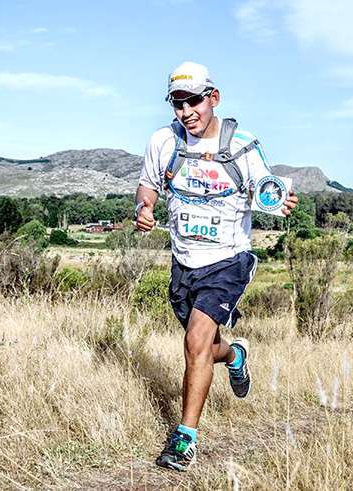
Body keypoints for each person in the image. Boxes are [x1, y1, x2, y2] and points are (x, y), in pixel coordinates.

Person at [135, 61, 298, 471]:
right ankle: (235, 356)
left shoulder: (240, 145)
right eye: (178, 103)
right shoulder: (163, 141)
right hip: (183, 261)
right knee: (206, 348)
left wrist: (279, 201)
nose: (186, 111)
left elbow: (267, 190)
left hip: (228, 260)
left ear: (213, 98)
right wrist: (144, 207)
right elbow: (148, 185)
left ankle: (184, 439)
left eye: (194, 101)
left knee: (194, 343)